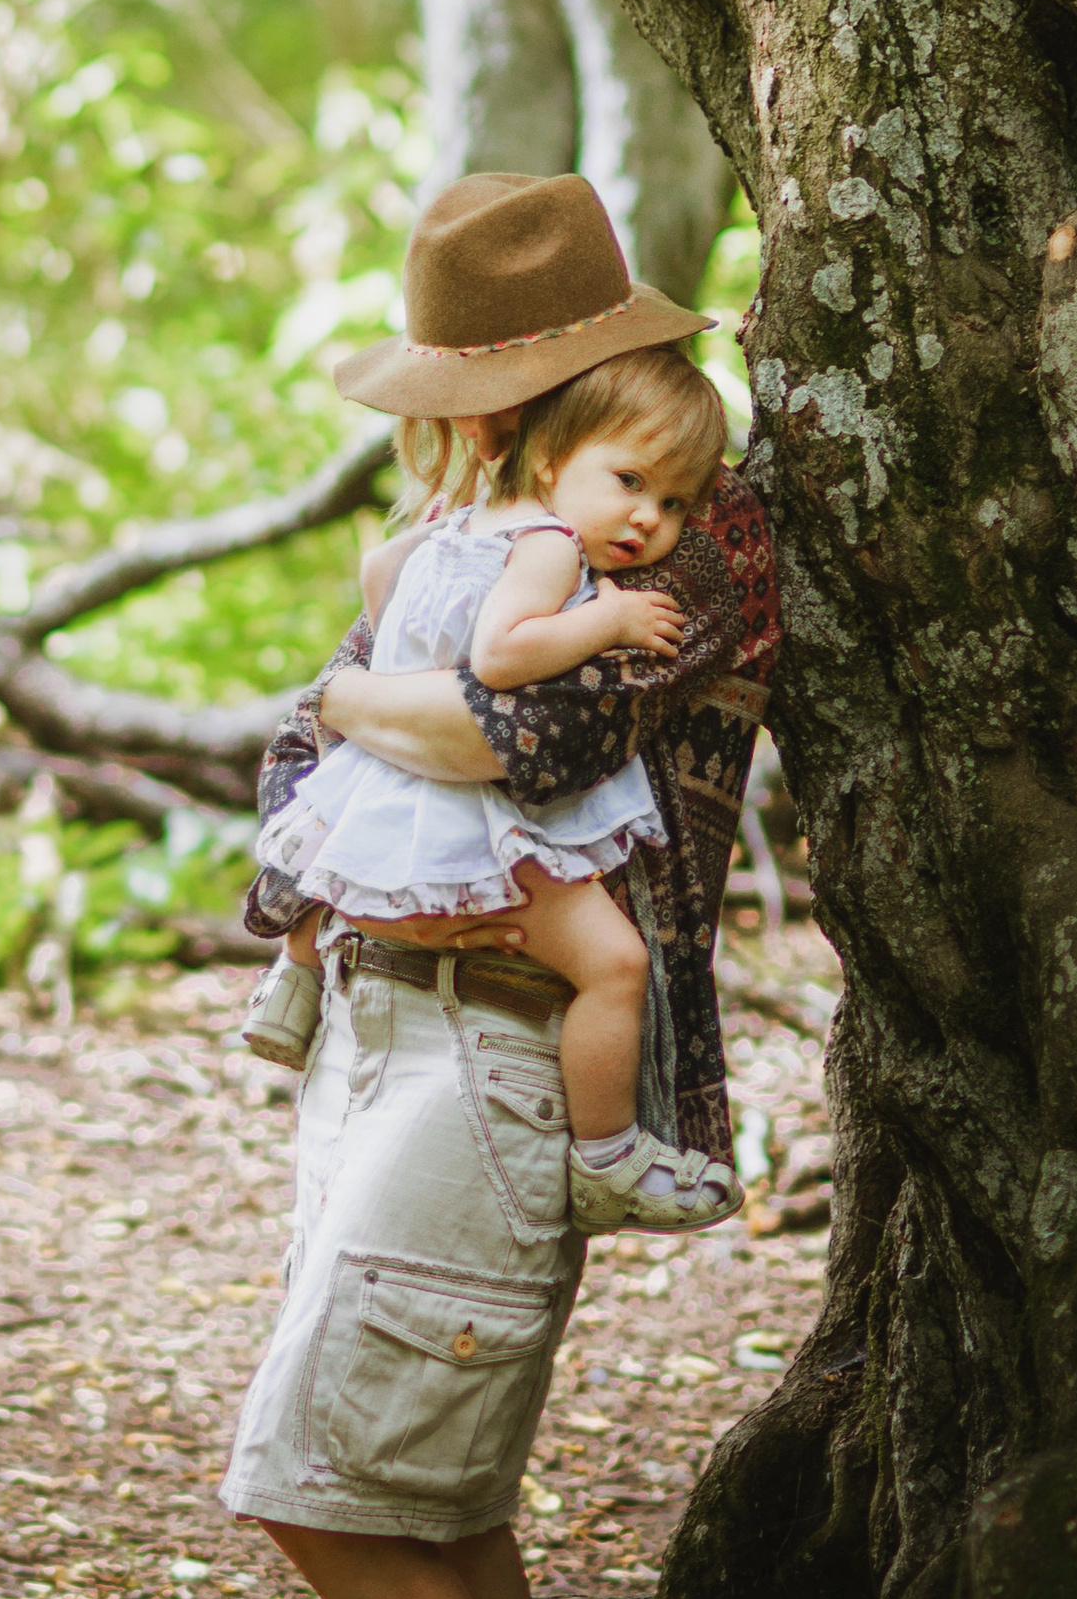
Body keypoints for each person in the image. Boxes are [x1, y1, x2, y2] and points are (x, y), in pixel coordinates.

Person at [218, 172, 781, 1599]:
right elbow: (311, 752)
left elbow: (512, 738)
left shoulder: (680, 533)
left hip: (503, 1043)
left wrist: (351, 690)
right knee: (427, 1490)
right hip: (387, 1026)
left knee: (314, 1473)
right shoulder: (470, 534)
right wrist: (359, 700)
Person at [248, 343, 738, 1231]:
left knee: (343, 846)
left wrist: (370, 689)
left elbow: (391, 599)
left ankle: (295, 974)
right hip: (475, 831)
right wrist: (609, 617)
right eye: (630, 483)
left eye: (673, 503)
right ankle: (609, 1151)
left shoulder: (459, 530)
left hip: (412, 832)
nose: (650, 517)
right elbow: (498, 660)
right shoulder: (547, 547)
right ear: (555, 454)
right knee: (615, 964)